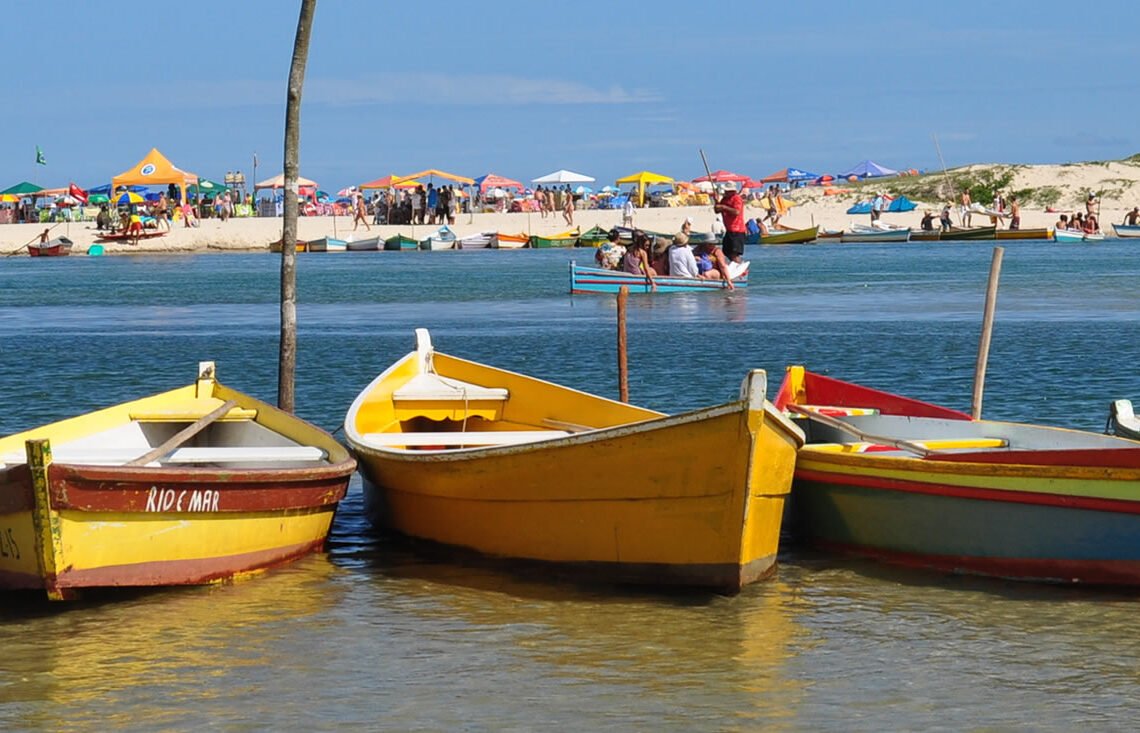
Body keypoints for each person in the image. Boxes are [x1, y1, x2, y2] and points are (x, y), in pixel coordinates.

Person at [713, 182, 746, 263]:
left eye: (727, 191)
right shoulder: (724, 199)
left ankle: (739, 266)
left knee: (734, 253)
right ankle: (735, 264)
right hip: (729, 230)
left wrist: (723, 207)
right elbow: (717, 210)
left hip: (737, 230)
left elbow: (736, 212)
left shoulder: (737, 198)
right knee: (726, 251)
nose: (725, 192)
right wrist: (717, 201)